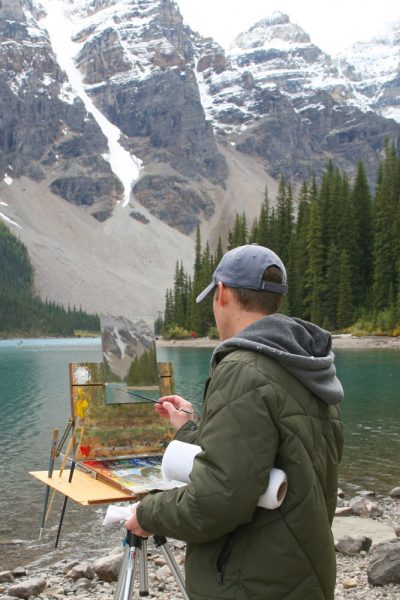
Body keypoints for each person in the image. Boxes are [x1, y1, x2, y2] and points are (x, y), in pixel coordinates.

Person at [126, 243, 344, 600]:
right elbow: (272, 456)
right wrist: (187, 427)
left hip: (253, 583)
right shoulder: (308, 364)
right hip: (302, 571)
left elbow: (216, 502)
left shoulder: (242, 370)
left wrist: (147, 514)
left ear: (222, 293)